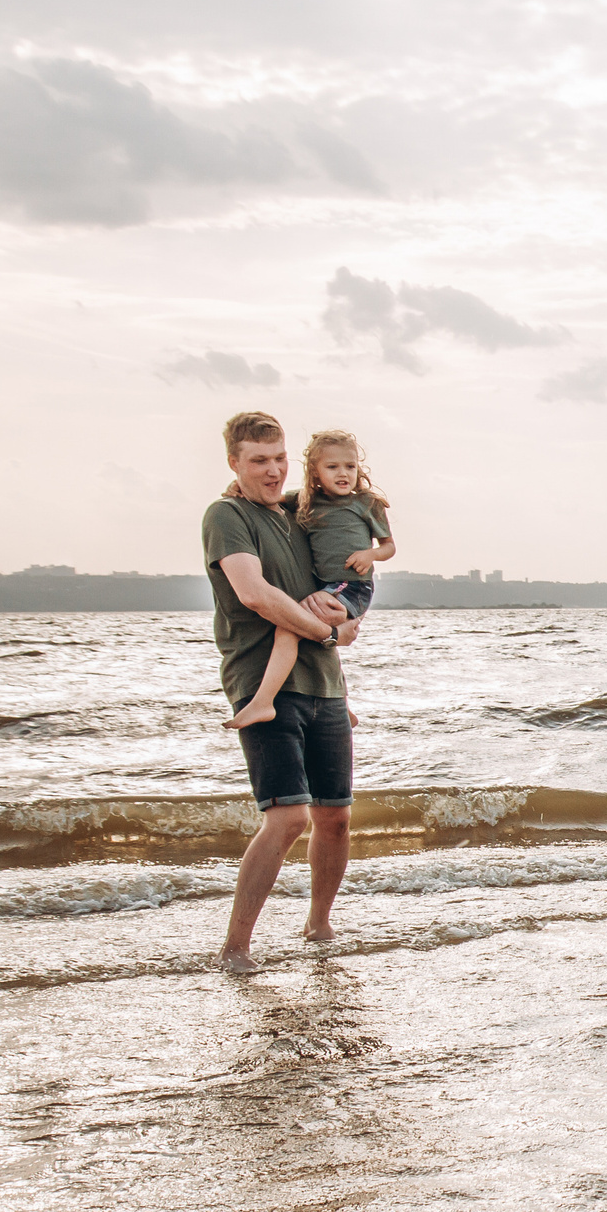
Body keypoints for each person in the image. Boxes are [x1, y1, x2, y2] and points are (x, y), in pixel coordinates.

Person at [201, 411, 359, 972]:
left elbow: (344, 602)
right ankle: (236, 947)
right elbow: (254, 594)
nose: (272, 471)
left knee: (335, 816)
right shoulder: (226, 514)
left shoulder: (300, 516)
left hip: (325, 683)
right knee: (288, 816)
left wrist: (341, 618)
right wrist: (327, 630)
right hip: (263, 682)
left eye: (278, 459)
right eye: (258, 461)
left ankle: (319, 926)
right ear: (234, 464)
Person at [223, 430, 396, 730]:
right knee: (312, 640)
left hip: (351, 585)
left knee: (289, 629)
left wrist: (370, 556)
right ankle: (344, 706)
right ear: (315, 472)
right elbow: (271, 500)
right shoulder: (305, 501)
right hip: (326, 585)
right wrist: (236, 484)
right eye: (332, 467)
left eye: (350, 467)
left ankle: (263, 702)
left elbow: (389, 546)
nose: (343, 474)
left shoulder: (367, 504)